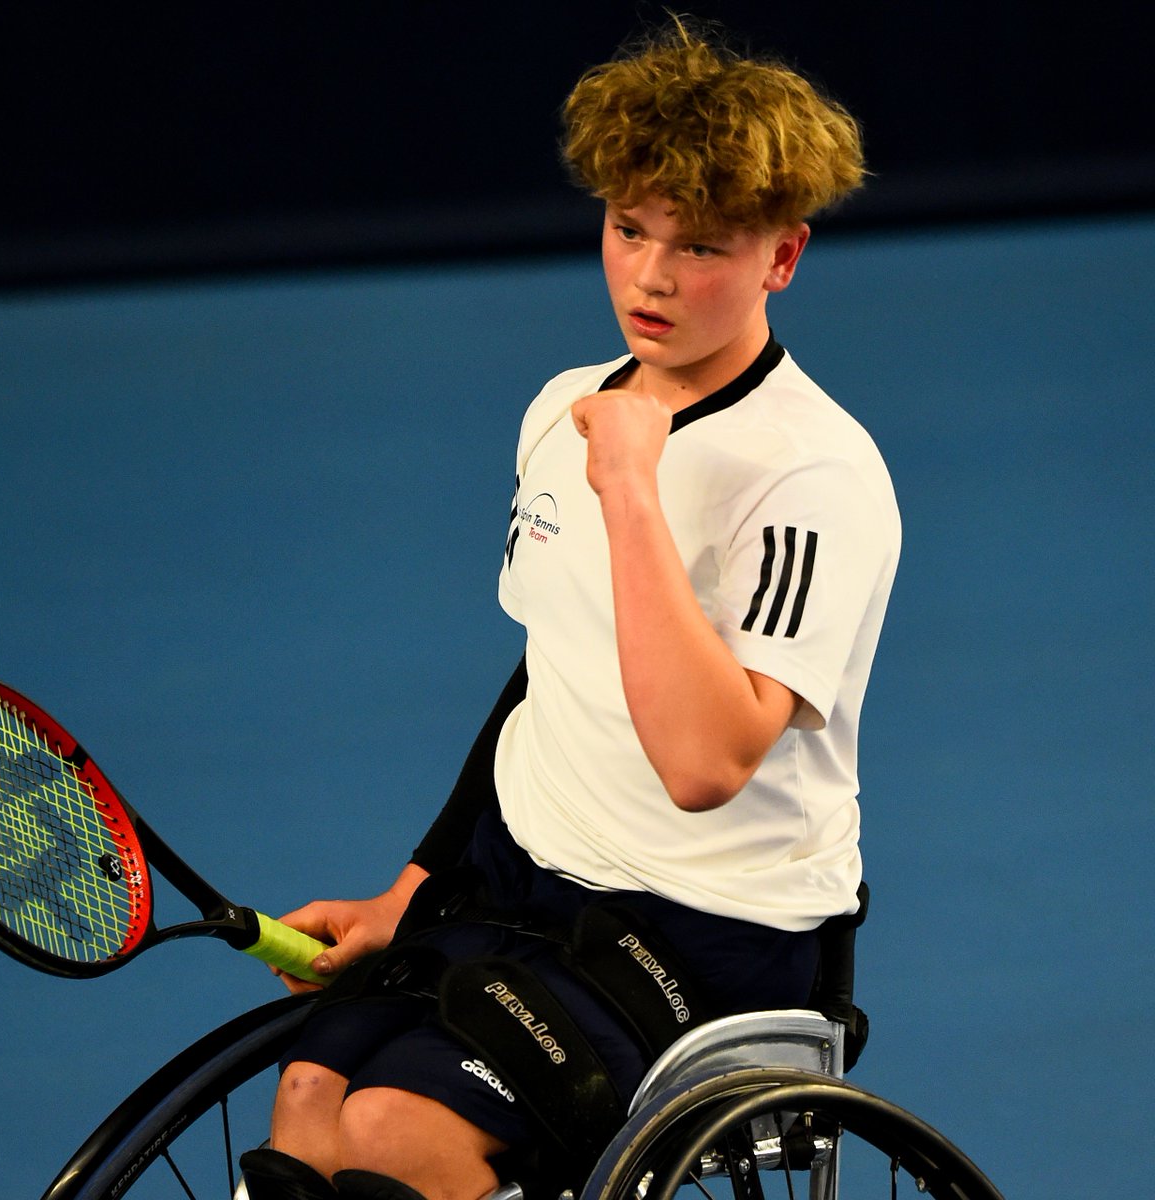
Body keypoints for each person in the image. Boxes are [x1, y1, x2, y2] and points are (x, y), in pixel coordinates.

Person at [239, 17, 900, 1200]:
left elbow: (703, 763)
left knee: (398, 1132)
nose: (649, 276)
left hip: (711, 934)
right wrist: (411, 887)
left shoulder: (818, 475)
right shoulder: (560, 409)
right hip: (523, 887)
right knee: (309, 1103)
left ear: (782, 257)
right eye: (629, 228)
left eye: (699, 245)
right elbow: (549, 677)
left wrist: (633, 488)